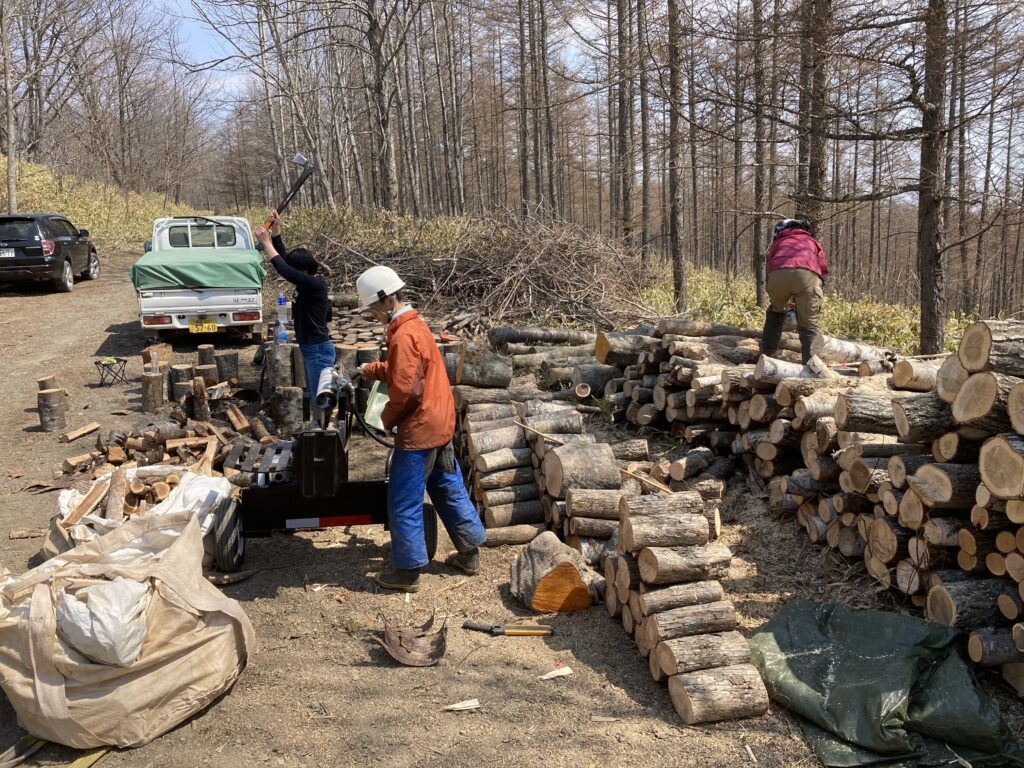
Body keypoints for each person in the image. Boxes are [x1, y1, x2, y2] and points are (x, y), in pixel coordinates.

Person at [354, 265, 487, 593]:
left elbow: (406, 390)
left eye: (372, 308)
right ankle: (469, 553)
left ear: (386, 300)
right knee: (445, 483)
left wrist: (384, 419)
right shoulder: (415, 325)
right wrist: (371, 369)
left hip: (421, 429)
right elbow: (407, 372)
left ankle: (407, 571)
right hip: (440, 421)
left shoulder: (404, 334)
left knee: (404, 497)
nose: (372, 315)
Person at [253, 211, 334, 403]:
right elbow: (285, 261)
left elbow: (284, 269)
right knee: (316, 394)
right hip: (311, 348)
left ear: (304, 270)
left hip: (317, 349)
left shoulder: (316, 284)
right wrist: (275, 230)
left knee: (320, 397)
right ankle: (320, 425)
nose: (292, 273)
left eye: (296, 271)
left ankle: (324, 427)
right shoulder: (307, 282)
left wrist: (266, 244)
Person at [760, 218, 829, 364]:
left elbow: (772, 265)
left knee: (775, 313)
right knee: (809, 326)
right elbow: (823, 268)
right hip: (807, 276)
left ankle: (766, 356)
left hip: (778, 275)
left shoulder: (778, 242)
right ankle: (810, 365)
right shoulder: (812, 242)